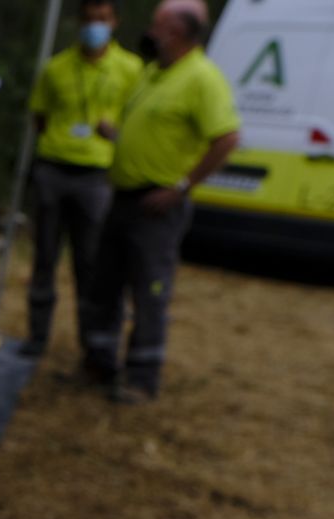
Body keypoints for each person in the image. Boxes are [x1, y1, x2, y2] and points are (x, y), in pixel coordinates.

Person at [80, 0, 240, 402]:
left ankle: (141, 376)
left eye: (157, 25)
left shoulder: (202, 78)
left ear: (177, 33)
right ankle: (98, 363)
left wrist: (182, 187)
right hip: (123, 196)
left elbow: (227, 139)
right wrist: (117, 137)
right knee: (105, 283)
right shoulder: (153, 72)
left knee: (149, 289)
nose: (150, 31)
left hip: (157, 206)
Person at [20, 0, 142, 357]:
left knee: (90, 261)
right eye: (89, 20)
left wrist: (115, 134)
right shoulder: (55, 67)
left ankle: (93, 341)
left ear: (114, 22)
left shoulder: (131, 69)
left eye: (101, 20)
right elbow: (39, 117)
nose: (94, 26)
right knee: (44, 257)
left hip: (96, 177)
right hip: (54, 169)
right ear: (78, 22)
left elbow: (137, 123)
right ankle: (37, 336)